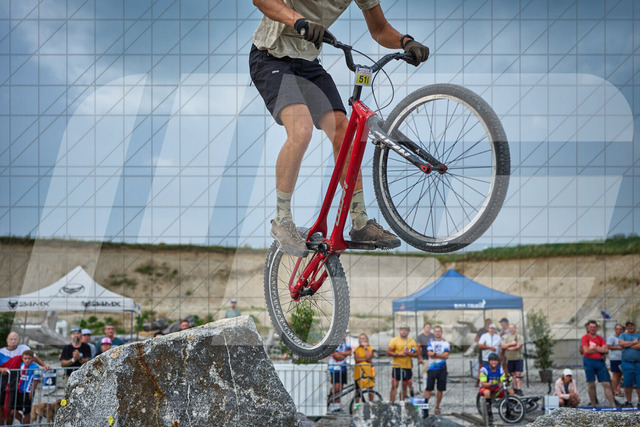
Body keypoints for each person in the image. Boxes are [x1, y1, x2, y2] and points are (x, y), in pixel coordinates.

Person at [250, 0, 430, 257]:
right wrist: (298, 21)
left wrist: (406, 42)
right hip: (271, 57)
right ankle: (282, 219)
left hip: (308, 62)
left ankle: (360, 222)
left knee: (345, 135)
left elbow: (379, 29)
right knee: (301, 130)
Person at [581, 320, 615, 406]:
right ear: (588, 328)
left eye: (594, 327)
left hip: (600, 362)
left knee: (606, 383)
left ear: (597, 328)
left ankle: (613, 405)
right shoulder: (585, 337)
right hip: (588, 361)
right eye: (591, 327)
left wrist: (594, 348)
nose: (592, 329)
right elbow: (586, 350)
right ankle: (593, 405)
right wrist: (599, 349)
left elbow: (606, 350)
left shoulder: (601, 338)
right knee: (591, 384)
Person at [6, 350, 39, 426]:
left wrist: (32, 391)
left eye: (29, 358)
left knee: (26, 412)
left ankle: (26, 424)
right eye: (25, 358)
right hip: (20, 390)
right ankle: (24, 423)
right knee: (13, 411)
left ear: (32, 358)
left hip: (28, 391)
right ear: (22, 359)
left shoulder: (35, 367)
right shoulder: (22, 365)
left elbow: (36, 380)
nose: (27, 360)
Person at [423, 325, 449, 417]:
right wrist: (440, 355)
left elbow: (446, 355)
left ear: (441, 332)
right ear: (434, 333)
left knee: (440, 389)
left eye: (439, 331)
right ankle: (425, 409)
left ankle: (437, 407)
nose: (437, 333)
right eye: (436, 331)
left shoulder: (445, 343)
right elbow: (430, 354)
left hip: (442, 369)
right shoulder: (430, 342)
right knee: (428, 389)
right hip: (432, 369)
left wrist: (435, 354)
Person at [479, 352, 513, 423]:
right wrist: (492, 382)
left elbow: (503, 382)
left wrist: (508, 380)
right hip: (485, 388)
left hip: (495, 388)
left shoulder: (500, 370)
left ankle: (508, 413)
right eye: (492, 360)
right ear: (489, 361)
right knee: (487, 392)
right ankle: (490, 414)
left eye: (496, 360)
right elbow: (483, 384)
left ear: (498, 361)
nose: (494, 362)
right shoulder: (484, 370)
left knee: (511, 392)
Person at [387, 326, 419, 402]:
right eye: (402, 330)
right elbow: (389, 352)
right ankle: (391, 403)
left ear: (408, 332)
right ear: (400, 331)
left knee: (404, 386)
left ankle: (402, 403)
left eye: (405, 330)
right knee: (394, 385)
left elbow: (416, 354)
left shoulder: (411, 341)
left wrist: (408, 353)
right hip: (397, 366)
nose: (403, 332)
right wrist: (399, 354)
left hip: (407, 367)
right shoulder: (394, 340)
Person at [328, 331, 352, 412]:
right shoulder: (334, 342)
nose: (345, 335)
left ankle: (337, 406)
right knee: (336, 386)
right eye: (344, 333)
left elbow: (350, 352)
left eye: (346, 333)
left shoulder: (346, 342)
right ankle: (332, 405)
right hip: (334, 367)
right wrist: (344, 354)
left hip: (343, 367)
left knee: (341, 387)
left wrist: (341, 354)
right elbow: (336, 356)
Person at [619, 320, 640, 407]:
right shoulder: (623, 335)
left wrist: (627, 345)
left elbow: (639, 346)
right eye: (628, 325)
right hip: (626, 362)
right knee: (627, 383)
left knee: (639, 383)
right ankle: (628, 401)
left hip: (638, 363)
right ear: (627, 327)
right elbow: (621, 343)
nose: (630, 327)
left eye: (632, 325)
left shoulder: (639, 335)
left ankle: (639, 402)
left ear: (635, 326)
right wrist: (634, 343)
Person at [501, 324, 524, 395]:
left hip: (518, 358)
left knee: (518, 374)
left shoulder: (519, 337)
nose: (511, 329)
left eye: (512, 328)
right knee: (512, 374)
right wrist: (511, 344)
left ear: (515, 328)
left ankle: (518, 388)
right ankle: (514, 388)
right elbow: (503, 346)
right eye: (510, 328)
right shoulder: (506, 337)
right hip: (510, 359)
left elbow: (518, 346)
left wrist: (508, 348)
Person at [354, 333, 375, 403]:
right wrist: (365, 359)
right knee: (357, 389)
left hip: (368, 370)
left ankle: (371, 404)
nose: (362, 340)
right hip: (359, 370)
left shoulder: (370, 348)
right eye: (361, 338)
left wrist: (365, 348)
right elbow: (356, 359)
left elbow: (369, 358)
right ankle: (357, 406)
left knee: (370, 388)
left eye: (363, 338)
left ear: (366, 339)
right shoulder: (357, 349)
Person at [607, 324, 624, 397]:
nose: (618, 330)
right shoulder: (612, 338)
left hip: (622, 358)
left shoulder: (623, 337)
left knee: (620, 375)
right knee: (615, 375)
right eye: (617, 329)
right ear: (615, 329)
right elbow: (608, 346)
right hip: (615, 358)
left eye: (620, 329)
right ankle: (614, 390)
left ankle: (618, 388)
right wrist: (618, 347)